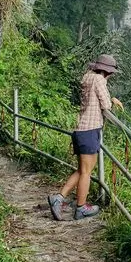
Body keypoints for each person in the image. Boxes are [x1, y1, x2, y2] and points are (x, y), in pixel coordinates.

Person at [48, 53, 123, 220]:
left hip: (80, 130)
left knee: (83, 170)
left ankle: (58, 198)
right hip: (90, 131)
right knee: (87, 172)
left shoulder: (87, 77)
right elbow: (106, 105)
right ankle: (81, 208)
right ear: (107, 72)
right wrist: (113, 100)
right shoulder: (99, 80)